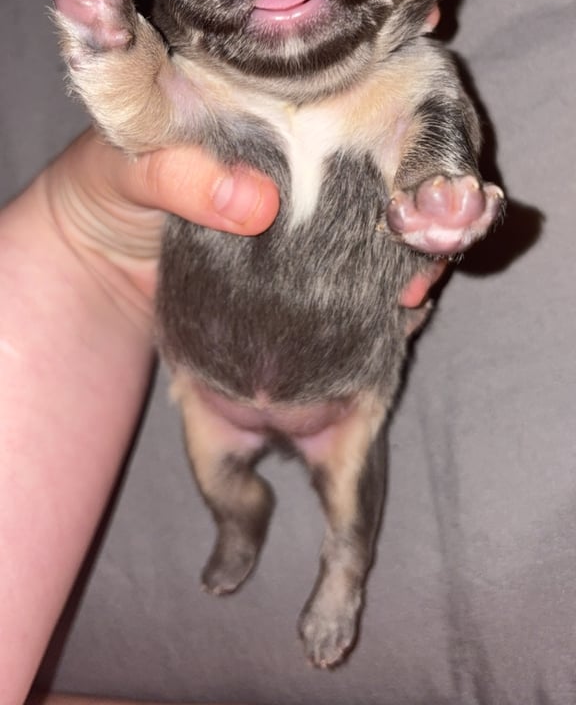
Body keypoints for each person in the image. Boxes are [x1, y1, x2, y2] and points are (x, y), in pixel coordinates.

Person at [0, 129, 444, 705]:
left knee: (350, 503)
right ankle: (243, 523)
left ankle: (344, 574)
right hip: (225, 383)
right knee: (226, 485)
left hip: (324, 381)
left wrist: (77, 229)